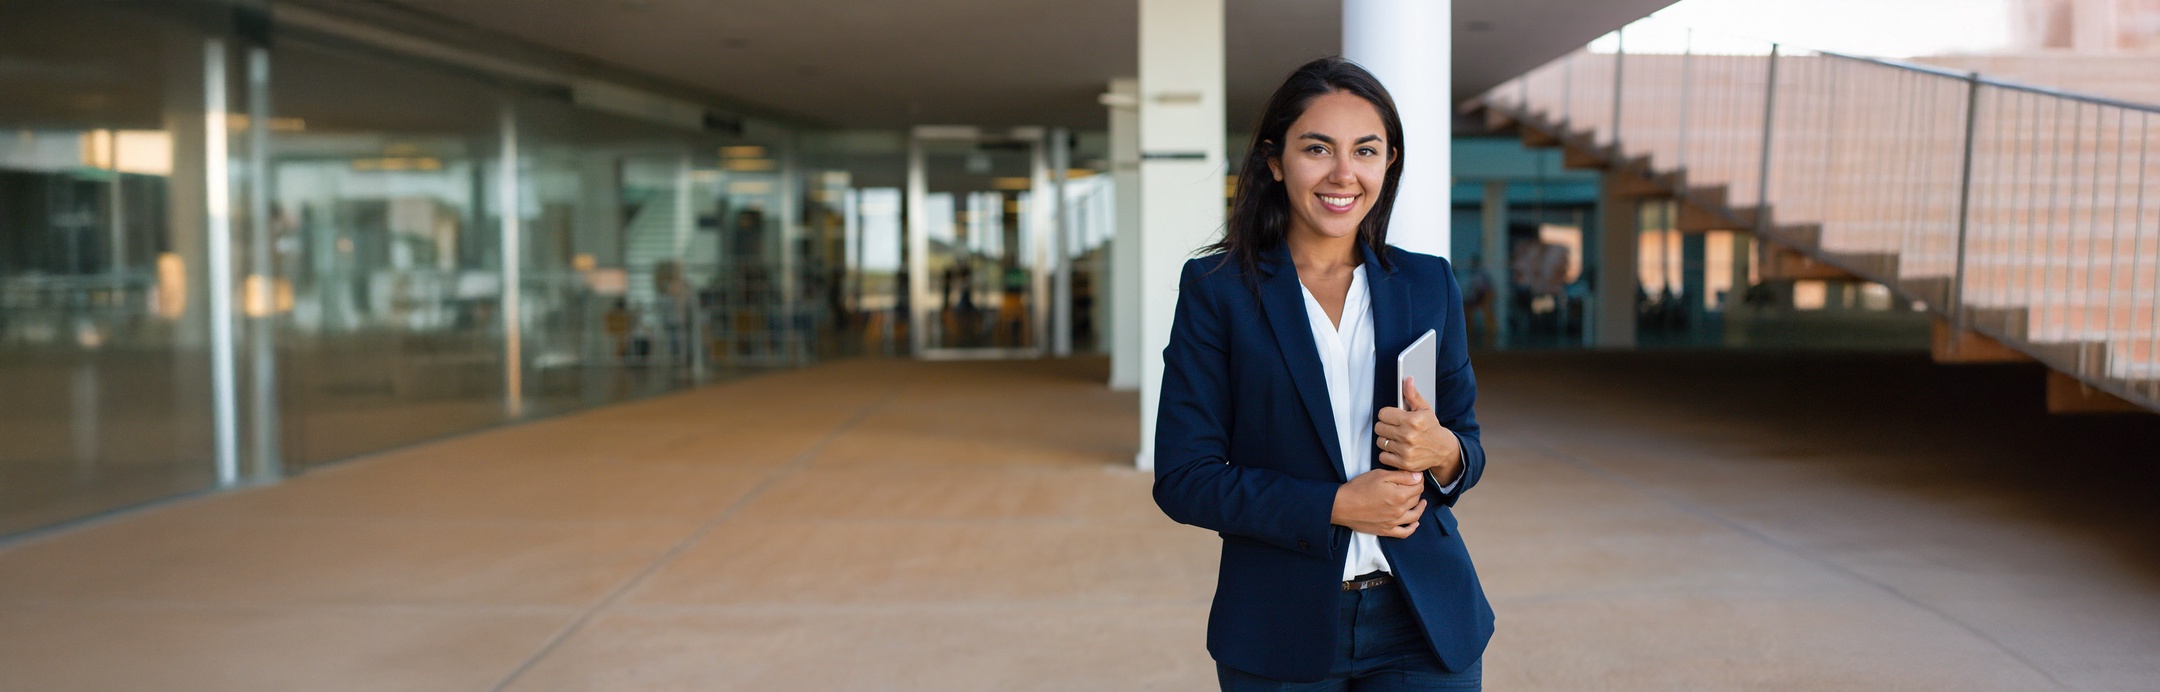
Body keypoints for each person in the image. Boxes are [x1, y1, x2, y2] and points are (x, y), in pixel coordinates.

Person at [1153, 57, 1493, 690]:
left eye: (1366, 150)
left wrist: (1444, 453)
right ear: (1275, 161)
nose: (1344, 173)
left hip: (1424, 621)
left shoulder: (1426, 283)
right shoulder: (1217, 291)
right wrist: (1336, 505)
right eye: (1318, 148)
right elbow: (1183, 478)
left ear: (1388, 162)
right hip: (1280, 626)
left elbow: (1465, 445)